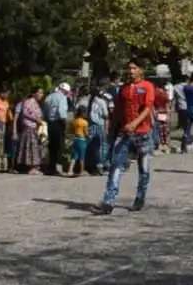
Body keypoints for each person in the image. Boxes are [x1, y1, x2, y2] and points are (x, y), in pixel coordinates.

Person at [98, 59, 158, 214]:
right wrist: (112, 129)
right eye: (129, 68)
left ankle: (139, 198)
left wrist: (135, 123)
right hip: (125, 133)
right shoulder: (123, 89)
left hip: (143, 133)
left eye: (134, 68)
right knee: (115, 166)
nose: (130, 71)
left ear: (141, 70)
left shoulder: (147, 87)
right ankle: (108, 201)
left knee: (143, 169)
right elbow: (118, 111)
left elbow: (147, 108)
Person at [43, 83, 70, 175]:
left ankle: (50, 166)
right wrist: (66, 125)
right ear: (64, 91)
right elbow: (62, 112)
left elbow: (45, 111)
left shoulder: (49, 97)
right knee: (59, 147)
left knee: (51, 146)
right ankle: (56, 167)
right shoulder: (62, 98)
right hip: (58, 123)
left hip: (50, 123)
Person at [15, 89, 45, 174]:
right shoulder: (29, 102)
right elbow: (25, 112)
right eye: (40, 93)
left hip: (35, 127)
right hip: (29, 127)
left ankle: (34, 167)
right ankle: (32, 167)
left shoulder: (36, 103)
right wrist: (36, 119)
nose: (41, 95)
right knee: (31, 147)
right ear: (34, 93)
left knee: (35, 147)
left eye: (42, 93)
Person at [84, 88, 110, 174]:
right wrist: (106, 128)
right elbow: (106, 115)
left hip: (89, 126)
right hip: (99, 126)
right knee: (101, 146)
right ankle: (101, 165)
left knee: (90, 146)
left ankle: (90, 165)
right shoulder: (101, 102)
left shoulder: (86, 101)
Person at [68, 107, 88, 177]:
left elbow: (71, 131)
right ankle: (82, 171)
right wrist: (88, 136)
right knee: (82, 156)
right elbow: (86, 133)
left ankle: (70, 170)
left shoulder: (74, 121)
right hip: (82, 140)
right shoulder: (84, 122)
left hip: (75, 139)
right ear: (82, 113)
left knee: (74, 156)